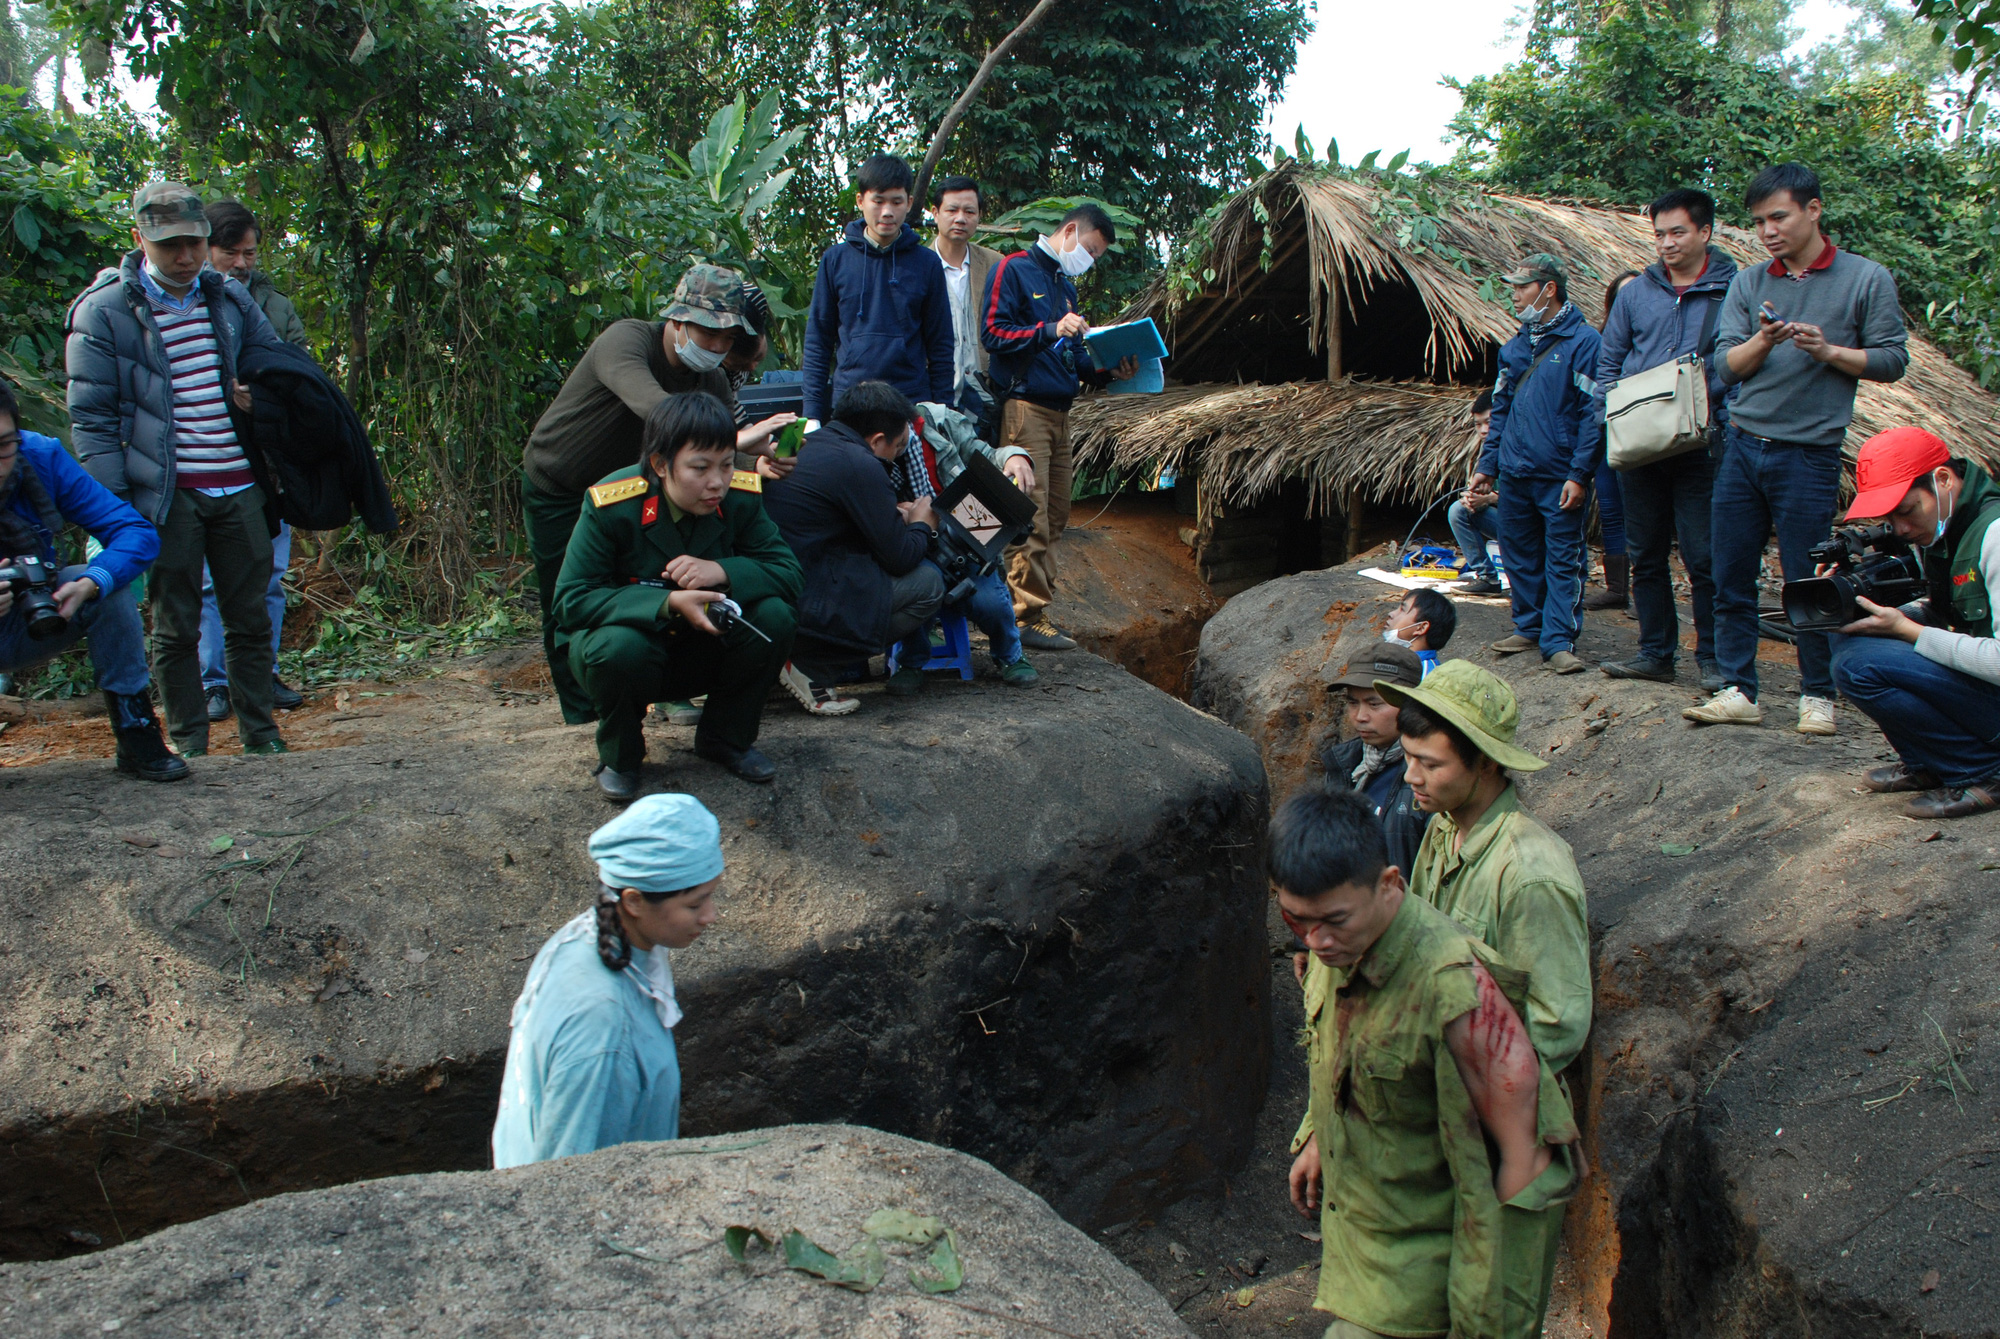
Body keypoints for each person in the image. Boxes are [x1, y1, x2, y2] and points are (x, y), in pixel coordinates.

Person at [1275, 787, 1580, 1339]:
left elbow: (1520, 1173)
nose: (1315, 941)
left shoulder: (1455, 994)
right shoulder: (1341, 944)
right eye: (1296, 919)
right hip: (1372, 1241)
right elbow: (1345, 1052)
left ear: (1389, 885)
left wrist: (1481, 1322)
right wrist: (1320, 1134)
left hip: (1440, 1266)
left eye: (1332, 920)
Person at [66, 179, 295, 758]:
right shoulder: (104, 312)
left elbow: (276, 368)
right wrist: (117, 512)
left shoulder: (227, 297)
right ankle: (190, 742)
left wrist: (259, 400)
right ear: (140, 238)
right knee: (175, 627)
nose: (186, 256)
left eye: (194, 242)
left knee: (250, 620)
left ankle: (260, 736)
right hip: (167, 496)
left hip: (240, 485)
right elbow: (91, 422)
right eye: (170, 245)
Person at [1688, 162, 1908, 735]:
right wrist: (1763, 339)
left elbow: (1891, 359)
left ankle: (1818, 696)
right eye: (1759, 221)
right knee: (1729, 570)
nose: (1767, 231)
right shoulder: (1751, 280)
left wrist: (1829, 351)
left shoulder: (1865, 278)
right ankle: (1738, 689)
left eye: (1778, 217)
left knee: (1809, 579)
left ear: (1813, 210)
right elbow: (1723, 367)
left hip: (1809, 453)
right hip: (1741, 445)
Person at [522, 265, 795, 727]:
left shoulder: (709, 380)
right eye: (708, 333)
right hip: (562, 486)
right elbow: (660, 413)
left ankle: (665, 689)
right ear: (677, 320)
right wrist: (739, 439)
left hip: (642, 494)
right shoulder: (626, 341)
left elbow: (716, 452)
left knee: (666, 584)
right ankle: (584, 713)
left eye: (728, 339)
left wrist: (758, 463)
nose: (717, 347)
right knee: (566, 599)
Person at [553, 393, 800, 796]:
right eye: (700, 468)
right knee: (617, 648)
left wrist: (720, 571)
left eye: (725, 464)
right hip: (632, 653)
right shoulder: (613, 504)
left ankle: (726, 738)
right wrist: (667, 603)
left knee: (774, 616)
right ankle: (621, 754)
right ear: (661, 465)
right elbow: (572, 599)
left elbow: (789, 572)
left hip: (702, 650)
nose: (717, 481)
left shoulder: (738, 498)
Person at [1376, 659, 1592, 1074]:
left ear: (1488, 763)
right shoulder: (1442, 826)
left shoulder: (1531, 875)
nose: (1410, 777)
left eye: (1432, 765)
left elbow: (1556, 1027)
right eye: (1408, 758)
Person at [493, 793, 722, 1168]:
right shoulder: (605, 1034)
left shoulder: (582, 936)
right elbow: (568, 1183)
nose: (711, 916)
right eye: (695, 904)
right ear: (633, 902)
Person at [0, 378, 184, 781]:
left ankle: (136, 730)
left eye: (3, 446)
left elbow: (133, 531)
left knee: (104, 583)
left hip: (22, 621)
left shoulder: (40, 457)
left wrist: (90, 583)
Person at [981, 203, 1137, 651]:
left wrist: (1110, 371)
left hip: (1061, 413)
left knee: (1058, 513)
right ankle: (1022, 616)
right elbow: (993, 334)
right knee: (1028, 512)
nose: (1090, 260)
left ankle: (1036, 611)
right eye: (1089, 249)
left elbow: (1072, 357)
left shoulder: (1064, 286)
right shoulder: (1015, 269)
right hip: (1024, 409)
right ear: (1069, 231)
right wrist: (1050, 328)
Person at [1596, 189, 1735, 693]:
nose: (1667, 243)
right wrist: (1611, 419)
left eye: (1677, 232)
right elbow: (1608, 361)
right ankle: (1655, 652)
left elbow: (1740, 365)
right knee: (1645, 551)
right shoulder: (1636, 293)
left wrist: (1716, 408)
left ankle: (1714, 660)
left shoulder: (1731, 290)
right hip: (1640, 443)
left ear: (1705, 232)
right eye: (1659, 234)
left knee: (1704, 556)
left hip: (1702, 443)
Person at [1828, 428, 2000, 819]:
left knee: (1859, 665)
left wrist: (1907, 629)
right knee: (1847, 633)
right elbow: (1951, 612)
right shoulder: (1945, 529)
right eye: (1890, 517)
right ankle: (1929, 761)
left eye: (1906, 511)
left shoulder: (1995, 534)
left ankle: (1984, 770)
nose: (1900, 529)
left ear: (1942, 479)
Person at [762, 381, 943, 709]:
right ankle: (811, 669)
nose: (897, 457)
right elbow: (900, 558)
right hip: (810, 599)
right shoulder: (862, 464)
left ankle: (780, 669)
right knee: (928, 583)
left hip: (775, 588)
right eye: (898, 448)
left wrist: (892, 516)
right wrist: (922, 524)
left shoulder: (805, 443)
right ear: (877, 441)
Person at [199, 198, 309, 724]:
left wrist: (262, 398)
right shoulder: (182, 303)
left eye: (250, 252)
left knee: (268, 574)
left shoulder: (275, 305)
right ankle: (213, 683)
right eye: (231, 252)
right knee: (205, 582)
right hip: (201, 464)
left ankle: (260, 674)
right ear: (204, 247)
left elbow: (302, 376)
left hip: (264, 462)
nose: (242, 263)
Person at [1472, 253, 1603, 676]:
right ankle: (1528, 626)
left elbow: (1592, 414)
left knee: (1562, 556)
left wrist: (1579, 473)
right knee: (1519, 552)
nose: (1514, 295)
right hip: (1515, 471)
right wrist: (1488, 464)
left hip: (1558, 473)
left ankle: (1558, 640)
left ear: (1548, 289)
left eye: (1521, 287)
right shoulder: (1514, 347)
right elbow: (1501, 409)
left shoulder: (1584, 343)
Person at [801, 154, 954, 427]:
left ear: (908, 202)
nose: (887, 211)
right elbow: (818, 341)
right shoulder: (835, 260)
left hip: (911, 403)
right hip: (850, 403)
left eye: (896, 202)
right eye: (878, 201)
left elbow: (940, 344)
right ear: (861, 201)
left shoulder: (927, 264)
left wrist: (943, 410)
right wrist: (812, 413)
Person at [901, 399, 1040, 688]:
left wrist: (1015, 457)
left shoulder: (939, 424)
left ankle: (1010, 656)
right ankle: (911, 661)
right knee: (915, 594)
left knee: (991, 603)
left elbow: (988, 454)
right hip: (916, 549)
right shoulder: (874, 451)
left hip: (967, 543)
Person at [1321, 644, 1429, 879]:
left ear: (1410, 702)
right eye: (1352, 703)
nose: (1360, 717)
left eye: (1374, 704)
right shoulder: (1345, 765)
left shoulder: (1426, 776)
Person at [929, 174, 1005, 431]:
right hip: (933, 394)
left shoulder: (995, 263)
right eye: (952, 210)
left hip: (984, 394)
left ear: (979, 216)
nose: (960, 218)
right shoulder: (918, 264)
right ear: (935, 212)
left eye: (969, 211)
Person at [1583, 270, 1636, 613]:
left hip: (1642, 436)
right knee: (1612, 512)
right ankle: (1618, 588)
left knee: (1641, 512)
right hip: (1607, 435)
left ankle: (1645, 592)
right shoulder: (1602, 342)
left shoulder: (1654, 340)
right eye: (1622, 297)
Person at [1448, 389, 1504, 595]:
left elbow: (1528, 495)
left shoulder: (1520, 446)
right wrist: (1473, 498)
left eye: (1489, 422)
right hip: (1506, 521)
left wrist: (1489, 499)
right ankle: (1487, 578)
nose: (1483, 430)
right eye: (1478, 424)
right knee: (1459, 510)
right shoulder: (1486, 452)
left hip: (1530, 526)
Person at [1381, 588, 1454, 676]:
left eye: (1403, 610)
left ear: (1421, 628)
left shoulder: (1425, 676)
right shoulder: (1400, 662)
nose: (1391, 613)